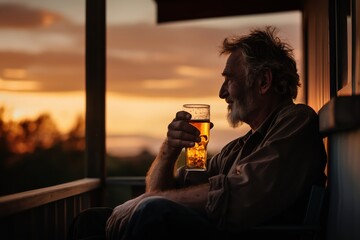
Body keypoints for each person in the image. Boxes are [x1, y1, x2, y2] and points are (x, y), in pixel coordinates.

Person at [69, 26, 327, 240]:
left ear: (263, 82)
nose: (222, 93)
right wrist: (169, 149)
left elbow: (244, 195)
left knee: (152, 212)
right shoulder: (235, 149)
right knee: (90, 221)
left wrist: (151, 200)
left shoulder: (297, 121)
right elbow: (169, 191)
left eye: (229, 79)